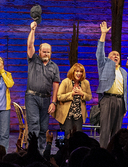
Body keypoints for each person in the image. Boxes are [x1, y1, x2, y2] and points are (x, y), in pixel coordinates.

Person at [26, 21, 60, 153]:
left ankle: (40, 154)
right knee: (34, 124)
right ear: (39, 51)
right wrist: (32, 30)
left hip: (46, 99)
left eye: (48, 52)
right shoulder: (33, 60)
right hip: (32, 97)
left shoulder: (54, 67)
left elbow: (56, 85)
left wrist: (54, 102)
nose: (46, 54)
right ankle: (32, 152)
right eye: (43, 51)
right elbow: (30, 45)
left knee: (43, 127)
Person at [96, 21, 128, 148]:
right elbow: (99, 54)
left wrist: (125, 104)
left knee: (117, 131)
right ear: (108, 58)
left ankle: (116, 153)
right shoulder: (105, 65)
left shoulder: (124, 72)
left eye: (118, 55)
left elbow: (125, 90)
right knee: (105, 130)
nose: (116, 56)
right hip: (107, 99)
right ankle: (103, 152)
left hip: (120, 101)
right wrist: (103, 34)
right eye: (113, 54)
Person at [56, 63, 92, 139]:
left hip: (79, 114)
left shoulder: (86, 83)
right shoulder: (66, 82)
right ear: (73, 72)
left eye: (81, 71)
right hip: (67, 114)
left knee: (78, 135)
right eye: (77, 71)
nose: (79, 73)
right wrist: (71, 94)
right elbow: (59, 97)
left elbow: (89, 97)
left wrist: (82, 94)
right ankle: (66, 150)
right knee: (68, 135)